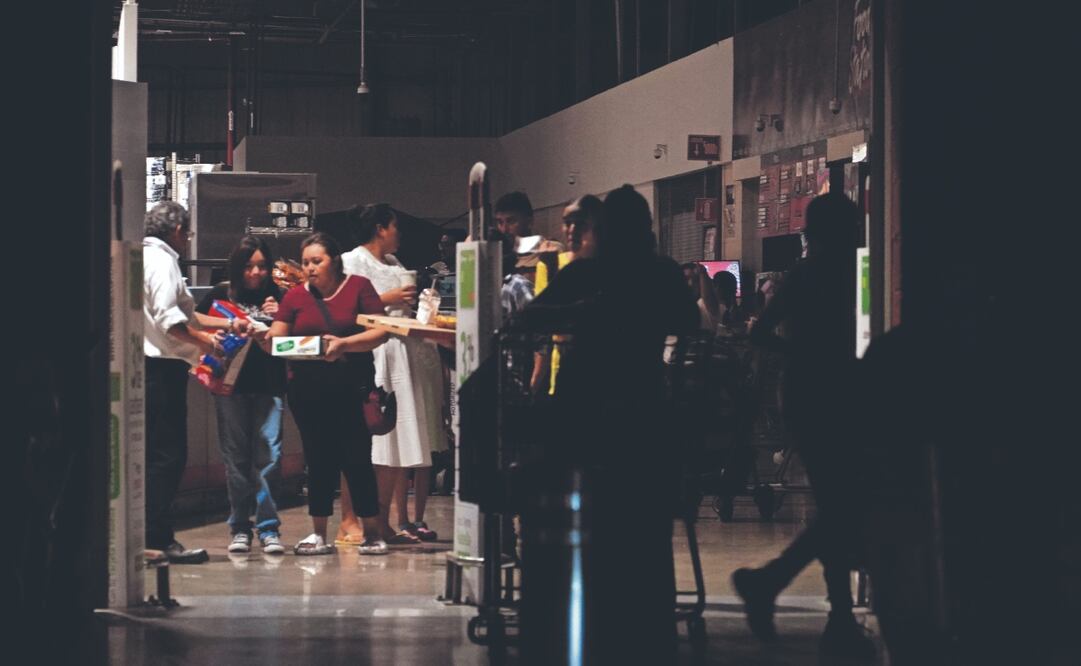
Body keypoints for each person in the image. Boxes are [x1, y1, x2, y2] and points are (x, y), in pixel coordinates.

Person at [509, 184, 699, 664]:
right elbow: (689, 324)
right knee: (645, 519)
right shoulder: (659, 272)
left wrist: (584, 315)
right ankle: (647, 618)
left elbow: (528, 319)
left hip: (586, 413)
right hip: (646, 410)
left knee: (587, 509)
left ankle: (590, 610)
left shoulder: (591, 271)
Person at [731, 192, 876, 658]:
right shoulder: (852, 274)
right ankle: (823, 610)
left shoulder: (802, 276)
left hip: (803, 395)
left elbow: (758, 331)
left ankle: (793, 593)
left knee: (836, 502)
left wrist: (800, 354)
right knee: (841, 503)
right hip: (838, 396)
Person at [265, 232, 390, 556]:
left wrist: (345, 344)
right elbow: (277, 339)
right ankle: (319, 533)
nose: (309, 268)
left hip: (352, 387)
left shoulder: (359, 287)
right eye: (305, 262)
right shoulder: (294, 297)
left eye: (316, 261)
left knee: (357, 458)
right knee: (317, 458)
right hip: (307, 391)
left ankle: (373, 532)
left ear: (334, 261)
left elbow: (381, 331)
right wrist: (265, 337)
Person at [339, 204, 445, 545]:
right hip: (375, 351)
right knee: (371, 438)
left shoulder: (395, 263)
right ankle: (354, 519)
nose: (399, 232)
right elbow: (345, 306)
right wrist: (388, 297)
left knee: (396, 439)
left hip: (403, 350)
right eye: (395, 225)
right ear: (381, 228)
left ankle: (383, 521)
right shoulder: (352, 261)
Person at [142, 201, 232, 564]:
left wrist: (226, 324)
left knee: (153, 456)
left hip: (147, 369)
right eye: (188, 233)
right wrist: (208, 343)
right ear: (177, 230)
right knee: (168, 457)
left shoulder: (144, 257)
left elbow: (188, 314)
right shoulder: (164, 261)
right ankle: (159, 538)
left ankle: (150, 535)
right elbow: (171, 321)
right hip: (162, 370)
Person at [195, 235, 287, 555]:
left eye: (262, 266)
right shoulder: (222, 293)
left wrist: (279, 317)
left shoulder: (280, 295)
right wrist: (222, 328)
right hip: (229, 386)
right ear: (238, 267)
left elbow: (294, 335)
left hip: (271, 384)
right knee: (236, 458)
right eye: (249, 266)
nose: (256, 273)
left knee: (270, 457)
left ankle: (268, 528)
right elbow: (195, 321)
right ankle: (239, 527)